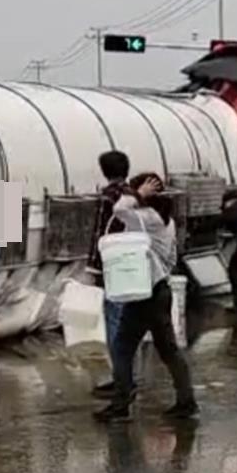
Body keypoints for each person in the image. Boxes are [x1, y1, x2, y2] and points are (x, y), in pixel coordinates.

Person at [95, 173, 197, 422]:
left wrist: (139, 193)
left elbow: (119, 210)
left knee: (122, 347)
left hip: (145, 292)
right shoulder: (165, 220)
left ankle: (122, 400)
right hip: (159, 289)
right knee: (167, 349)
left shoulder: (147, 218)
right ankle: (186, 400)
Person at [88, 150, 134, 400]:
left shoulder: (108, 198)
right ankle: (125, 376)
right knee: (127, 320)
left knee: (115, 321)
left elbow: (99, 232)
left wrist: (93, 266)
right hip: (133, 263)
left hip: (111, 263)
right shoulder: (134, 194)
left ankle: (121, 382)